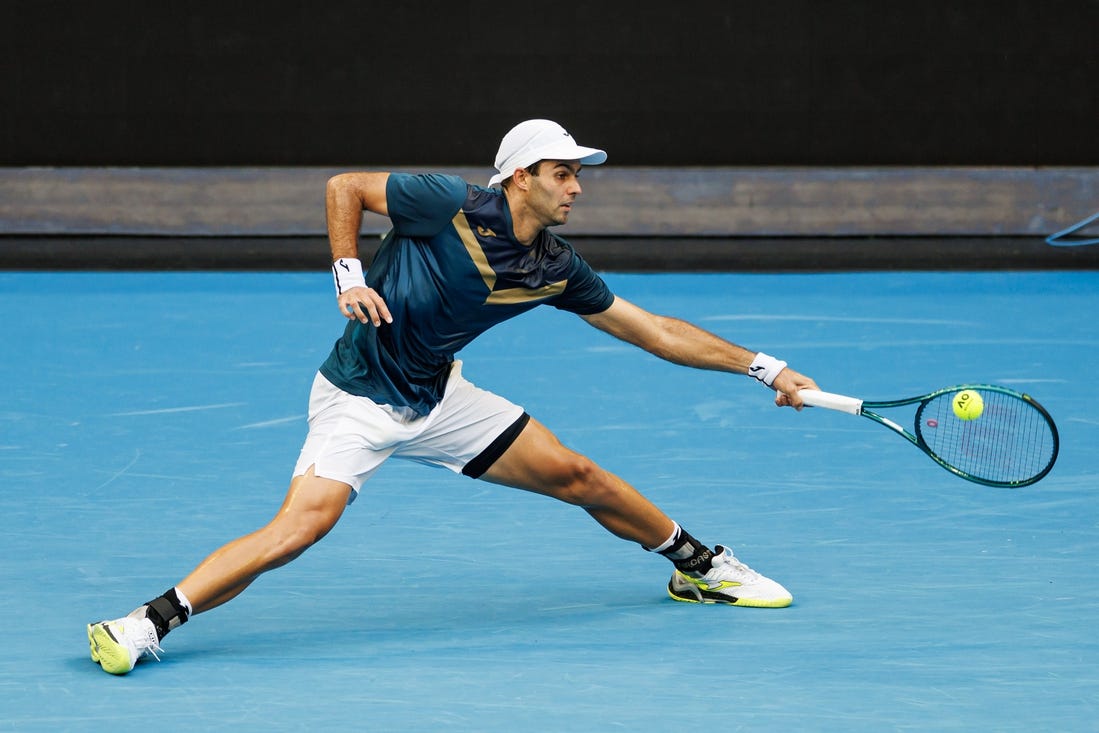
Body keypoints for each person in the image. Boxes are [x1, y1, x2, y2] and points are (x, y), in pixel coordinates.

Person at [87, 119, 821, 675]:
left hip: (440, 399)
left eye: (576, 175)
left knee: (579, 475)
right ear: (521, 176)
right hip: (361, 398)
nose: (576, 187)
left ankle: (698, 566)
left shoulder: (555, 266)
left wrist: (765, 367)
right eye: (563, 173)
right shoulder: (446, 203)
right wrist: (349, 276)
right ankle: (145, 622)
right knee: (300, 528)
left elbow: (655, 331)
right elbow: (345, 186)